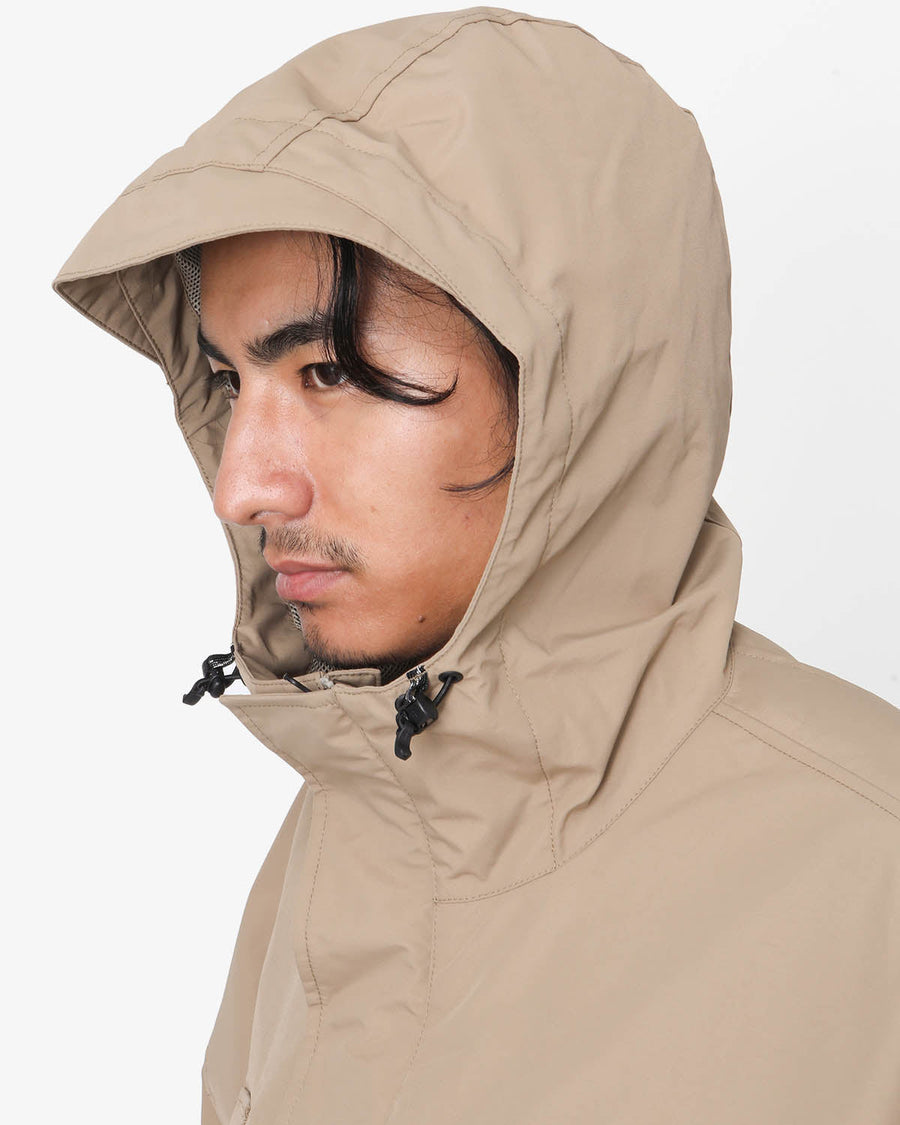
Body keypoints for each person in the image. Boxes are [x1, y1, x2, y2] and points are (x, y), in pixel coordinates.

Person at [53, 7, 900, 1124]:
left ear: (576, 392)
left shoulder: (869, 876)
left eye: (328, 372)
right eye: (226, 384)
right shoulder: (344, 830)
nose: (242, 486)